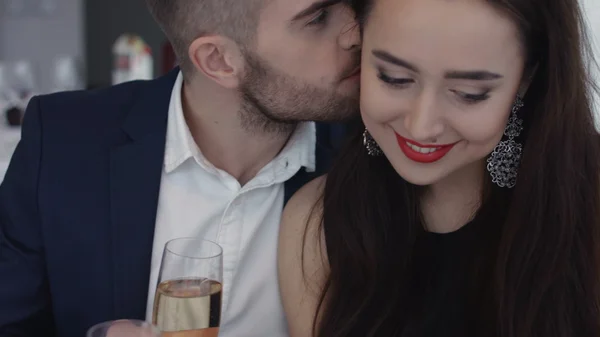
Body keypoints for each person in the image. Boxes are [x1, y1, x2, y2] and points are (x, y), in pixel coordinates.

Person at [0, 0, 361, 336]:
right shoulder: (63, 142)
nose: (356, 32)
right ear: (218, 60)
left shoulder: (373, 151)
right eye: (317, 18)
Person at [278, 0, 600, 335]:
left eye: (468, 94)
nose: (421, 127)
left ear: (526, 78)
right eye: (395, 78)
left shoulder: (589, 202)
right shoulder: (314, 223)